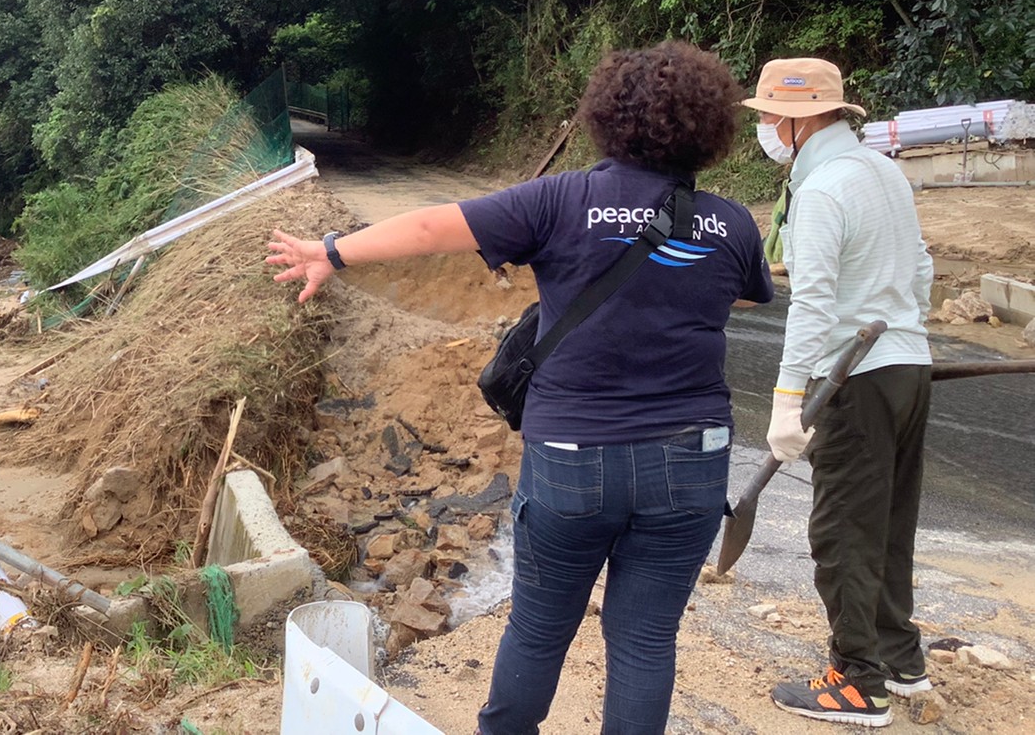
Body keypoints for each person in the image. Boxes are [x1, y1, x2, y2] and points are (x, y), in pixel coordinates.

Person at [268, 40, 774, 734]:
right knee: (646, 641)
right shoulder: (734, 223)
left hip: (573, 456)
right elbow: (738, 296)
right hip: (690, 458)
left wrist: (328, 252)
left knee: (539, 631)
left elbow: (428, 227)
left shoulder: (563, 199)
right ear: (711, 128)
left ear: (607, 116)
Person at [743, 57, 934, 728]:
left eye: (769, 115)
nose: (764, 126)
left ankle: (858, 683)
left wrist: (787, 400)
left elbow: (813, 305)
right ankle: (899, 658)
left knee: (844, 528)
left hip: (853, 377)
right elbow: (921, 265)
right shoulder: (883, 171)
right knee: (887, 521)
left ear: (799, 120)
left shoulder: (823, 190)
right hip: (907, 369)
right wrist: (910, 335)